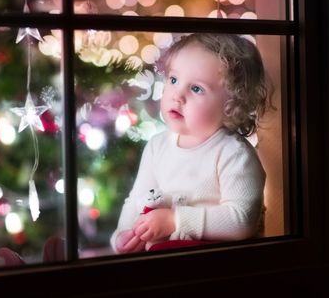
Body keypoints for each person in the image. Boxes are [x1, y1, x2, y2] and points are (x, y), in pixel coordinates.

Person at [111, 33, 271, 254]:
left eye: (196, 89)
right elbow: (136, 199)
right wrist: (123, 234)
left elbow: (242, 219)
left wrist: (175, 220)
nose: (178, 95)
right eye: (174, 80)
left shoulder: (233, 154)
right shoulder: (157, 147)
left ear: (231, 107)